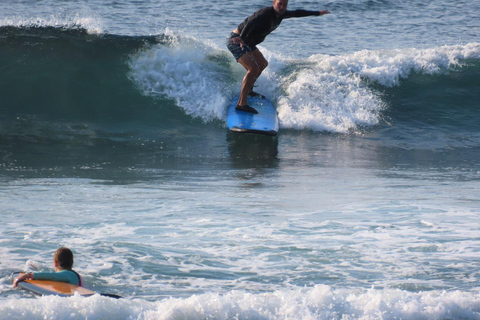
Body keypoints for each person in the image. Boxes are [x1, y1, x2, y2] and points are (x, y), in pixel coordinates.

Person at [226, 0, 330, 114]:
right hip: (236, 40)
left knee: (262, 64)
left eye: (284, 4)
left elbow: (297, 13)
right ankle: (242, 103)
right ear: (274, 2)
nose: (282, 7)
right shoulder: (265, 13)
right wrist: (241, 38)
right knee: (253, 68)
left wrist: (318, 13)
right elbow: (251, 22)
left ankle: (249, 90)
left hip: (248, 43)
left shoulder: (281, 14)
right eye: (279, 4)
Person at [13, 247, 83, 287]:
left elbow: (52, 276)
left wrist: (28, 275)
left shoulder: (67, 274)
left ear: (55, 263)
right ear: (72, 263)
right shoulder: (77, 276)